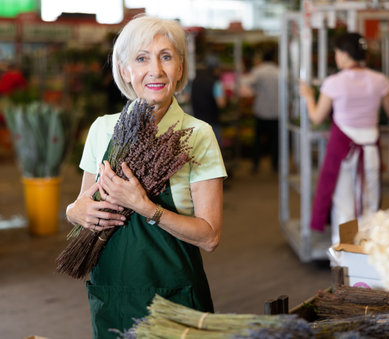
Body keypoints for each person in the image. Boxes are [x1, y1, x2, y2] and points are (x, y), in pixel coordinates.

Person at [65, 15, 227, 338]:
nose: (155, 70)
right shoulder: (102, 129)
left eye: (166, 57)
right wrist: (74, 211)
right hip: (113, 299)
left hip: (174, 300)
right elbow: (81, 204)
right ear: (125, 70)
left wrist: (145, 207)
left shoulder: (197, 135)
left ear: (180, 68)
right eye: (142, 58)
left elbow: (209, 237)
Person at [298, 32, 389, 245]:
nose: (336, 56)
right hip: (370, 150)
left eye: (337, 52)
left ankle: (344, 261)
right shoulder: (379, 80)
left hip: (343, 152)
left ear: (344, 55)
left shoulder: (333, 82)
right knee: (370, 203)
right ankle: (369, 255)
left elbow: (317, 116)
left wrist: (308, 96)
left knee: (344, 205)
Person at [241, 48, 279, 173]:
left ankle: (255, 165)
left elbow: (246, 83)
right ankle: (275, 165)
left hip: (261, 111)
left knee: (257, 141)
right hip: (276, 111)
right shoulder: (279, 72)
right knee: (275, 141)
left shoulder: (258, 71)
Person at [191, 54, 226, 144]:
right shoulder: (216, 83)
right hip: (212, 124)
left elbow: (188, 96)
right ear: (216, 68)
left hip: (197, 123)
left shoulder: (195, 80)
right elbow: (221, 103)